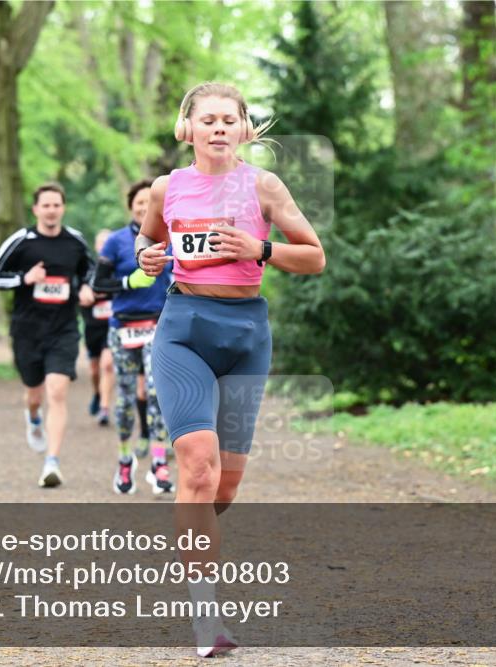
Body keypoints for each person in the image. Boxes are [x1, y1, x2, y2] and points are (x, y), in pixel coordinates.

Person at [136, 82, 325, 657]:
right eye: (207, 119)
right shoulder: (165, 188)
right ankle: (205, 617)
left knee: (221, 489)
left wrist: (259, 250)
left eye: (229, 120)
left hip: (246, 335)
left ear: (245, 129)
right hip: (183, 327)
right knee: (196, 467)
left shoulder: (263, 186)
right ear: (186, 128)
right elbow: (148, 250)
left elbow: (314, 257)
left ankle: (192, 521)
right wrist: (148, 261)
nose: (218, 128)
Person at [0, 182, 94, 488]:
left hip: (64, 329)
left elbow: (91, 270)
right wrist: (24, 278)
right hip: (27, 330)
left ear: (63, 208)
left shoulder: (74, 241)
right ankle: (32, 416)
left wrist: (86, 287)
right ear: (36, 209)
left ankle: (51, 462)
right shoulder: (22, 240)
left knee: (57, 391)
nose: (51, 210)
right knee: (34, 393)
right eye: (45, 205)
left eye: (56, 204)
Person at [91, 179, 175, 496]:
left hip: (158, 325)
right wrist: (128, 281)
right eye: (139, 202)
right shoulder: (115, 242)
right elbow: (99, 283)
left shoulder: (171, 239)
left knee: (157, 394)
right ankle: (125, 460)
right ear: (131, 206)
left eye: (148, 202)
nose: (144, 207)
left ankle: (159, 463)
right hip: (123, 327)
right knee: (126, 400)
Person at [82, 229, 115, 426]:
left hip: (112, 325)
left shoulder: (118, 269)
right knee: (94, 370)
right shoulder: (88, 270)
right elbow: (80, 291)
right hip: (92, 326)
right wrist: (85, 293)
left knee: (107, 365)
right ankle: (97, 393)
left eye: (107, 242)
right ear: (96, 246)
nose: (104, 246)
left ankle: (104, 408)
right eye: (100, 243)